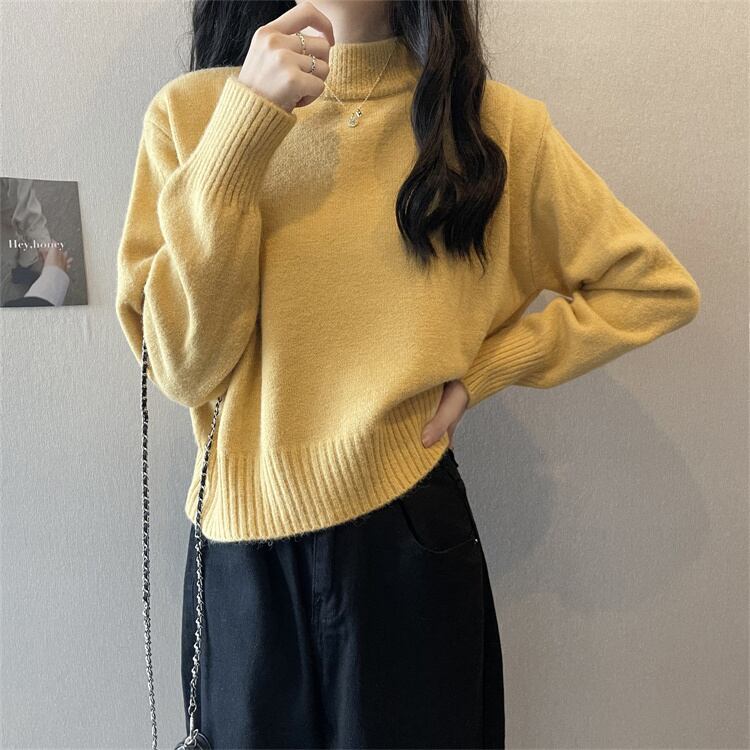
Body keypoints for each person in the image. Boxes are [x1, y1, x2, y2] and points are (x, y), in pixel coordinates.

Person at [114, 1, 702, 748]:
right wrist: (243, 131)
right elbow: (181, 368)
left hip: (406, 533)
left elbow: (652, 287)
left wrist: (489, 368)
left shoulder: (488, 125)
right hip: (238, 555)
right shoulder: (195, 114)